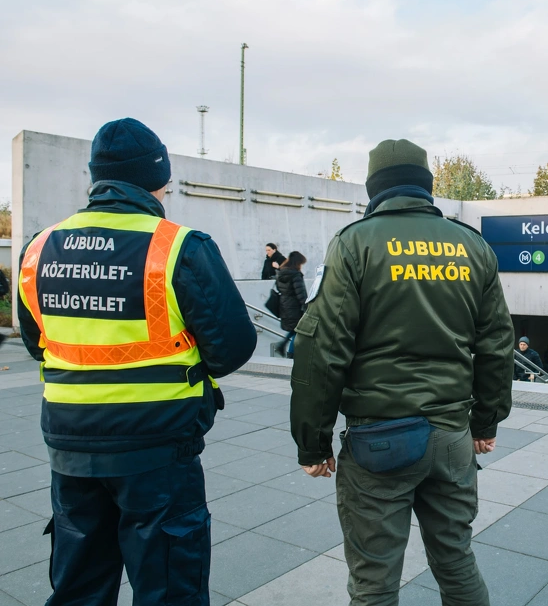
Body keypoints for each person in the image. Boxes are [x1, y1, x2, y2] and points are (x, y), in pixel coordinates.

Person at [16, 118, 257, 605]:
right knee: (169, 587)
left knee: (78, 584)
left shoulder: (38, 248)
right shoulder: (178, 247)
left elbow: (36, 342)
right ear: (159, 179)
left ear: (96, 177)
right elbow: (232, 347)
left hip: (70, 445)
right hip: (158, 447)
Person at [290, 139, 514, 605]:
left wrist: (313, 442)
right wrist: (486, 421)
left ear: (375, 188)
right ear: (426, 186)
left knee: (374, 581)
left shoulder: (354, 243)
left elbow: (322, 351)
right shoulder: (472, 245)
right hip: (452, 438)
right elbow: (496, 345)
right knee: (456, 562)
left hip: (379, 440)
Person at [275, 251, 308, 358]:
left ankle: (283, 345)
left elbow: (279, 288)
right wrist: (306, 305)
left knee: (294, 329)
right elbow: (300, 293)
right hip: (294, 306)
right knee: (298, 329)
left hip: (284, 304)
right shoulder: (296, 275)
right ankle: (291, 353)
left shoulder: (281, 272)